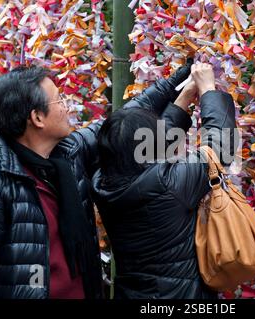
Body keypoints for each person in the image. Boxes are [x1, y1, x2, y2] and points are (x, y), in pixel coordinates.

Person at [92, 63, 238, 299]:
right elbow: (221, 148)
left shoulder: (102, 182)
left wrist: (184, 98)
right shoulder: (168, 184)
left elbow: (144, 146)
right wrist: (209, 89)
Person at [0, 66, 105, 299]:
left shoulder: (66, 157)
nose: (66, 106)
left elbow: (119, 124)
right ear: (37, 118)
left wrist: (182, 85)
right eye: (59, 100)